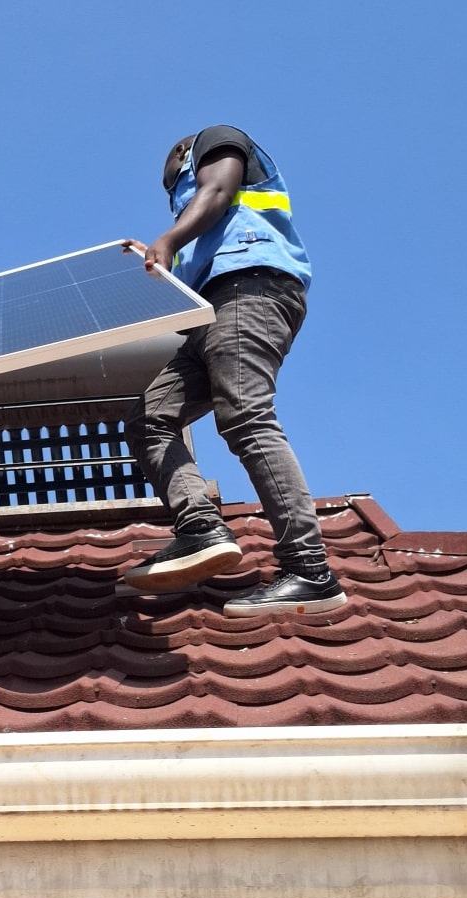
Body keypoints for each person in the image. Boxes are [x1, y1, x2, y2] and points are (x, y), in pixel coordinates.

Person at [121, 126, 346, 615]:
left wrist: (168, 238)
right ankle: (200, 527)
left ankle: (310, 571)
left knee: (245, 415)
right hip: (210, 312)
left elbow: (218, 190)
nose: (171, 191)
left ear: (185, 154)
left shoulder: (218, 140)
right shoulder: (195, 233)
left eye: (172, 178)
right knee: (149, 419)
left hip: (251, 290)